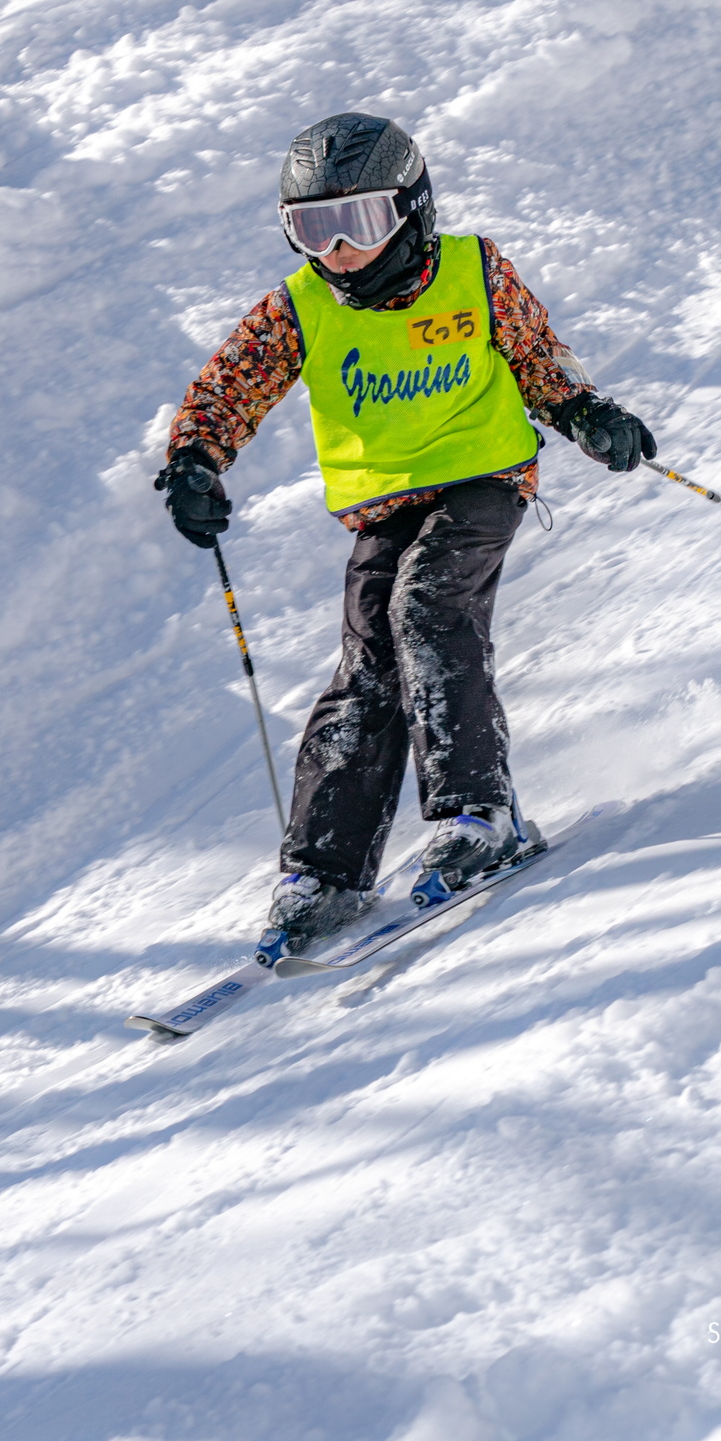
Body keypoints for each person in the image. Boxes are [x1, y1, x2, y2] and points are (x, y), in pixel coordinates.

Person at [155, 112, 655, 960]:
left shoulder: (473, 271)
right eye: (315, 229)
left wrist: (588, 413)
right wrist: (195, 462)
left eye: (362, 222)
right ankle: (324, 871)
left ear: (413, 210)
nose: (341, 249)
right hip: (384, 506)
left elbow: (539, 358)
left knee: (425, 607)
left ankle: (477, 812)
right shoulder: (299, 308)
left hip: (484, 478)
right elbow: (226, 388)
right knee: (365, 665)